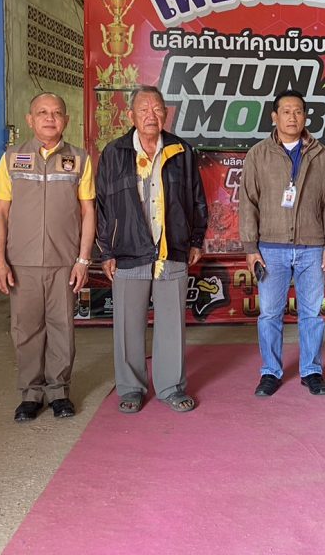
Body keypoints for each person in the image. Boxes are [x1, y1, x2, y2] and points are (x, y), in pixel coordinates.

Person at [96, 86, 208, 415]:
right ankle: (131, 388)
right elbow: (101, 205)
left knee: (172, 324)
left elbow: (197, 199)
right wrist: (106, 252)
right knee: (128, 325)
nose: (151, 115)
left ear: (166, 114)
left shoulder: (181, 151)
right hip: (128, 251)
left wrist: (196, 240)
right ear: (130, 115)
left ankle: (171, 387)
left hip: (171, 250)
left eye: (157, 109)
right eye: (143, 109)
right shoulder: (114, 152)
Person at [0, 93, 96, 423]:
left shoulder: (79, 159)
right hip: (22, 262)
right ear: (30, 119)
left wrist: (83, 259)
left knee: (62, 326)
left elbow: (88, 212)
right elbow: (1, 214)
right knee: (25, 329)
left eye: (56, 113)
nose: (50, 118)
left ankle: (59, 391)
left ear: (66, 120)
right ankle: (31, 394)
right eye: (42, 112)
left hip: (64, 261)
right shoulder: (12, 158)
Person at [239, 90, 325, 397]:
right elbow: (248, 203)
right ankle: (270, 372)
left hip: (312, 247)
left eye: (298, 111)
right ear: (275, 117)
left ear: (305, 116)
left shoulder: (319, 153)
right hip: (271, 248)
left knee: (311, 314)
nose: (292, 117)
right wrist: (250, 248)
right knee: (270, 314)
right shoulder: (258, 154)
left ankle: (311, 370)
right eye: (286, 111)